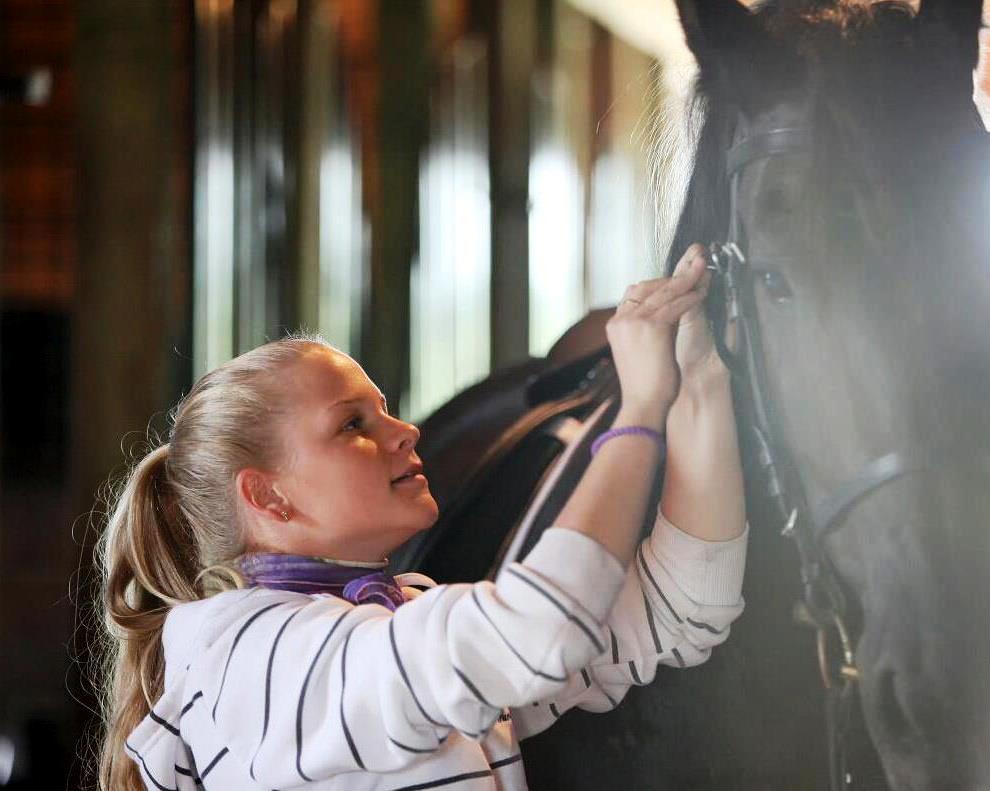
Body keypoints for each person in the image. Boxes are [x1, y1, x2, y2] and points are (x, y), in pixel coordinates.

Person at [94, 244, 748, 791]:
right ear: (267, 498)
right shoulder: (253, 657)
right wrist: (638, 409)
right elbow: (541, 629)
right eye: (353, 424)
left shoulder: (401, 614)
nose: (406, 430)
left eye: (384, 411)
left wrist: (700, 380)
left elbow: (678, 608)